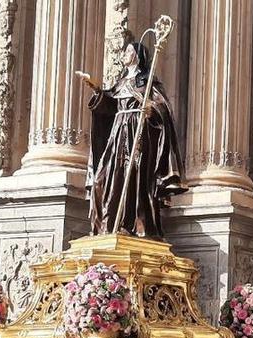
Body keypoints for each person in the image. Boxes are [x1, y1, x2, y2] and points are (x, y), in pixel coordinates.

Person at [79, 42, 187, 238]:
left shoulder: (147, 82)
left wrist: (151, 108)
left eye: (129, 50)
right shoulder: (120, 83)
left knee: (133, 181)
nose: (125, 54)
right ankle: (107, 225)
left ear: (138, 55)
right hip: (117, 135)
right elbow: (110, 105)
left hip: (137, 135)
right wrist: (96, 88)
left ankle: (130, 226)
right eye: (125, 51)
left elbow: (163, 109)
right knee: (101, 180)